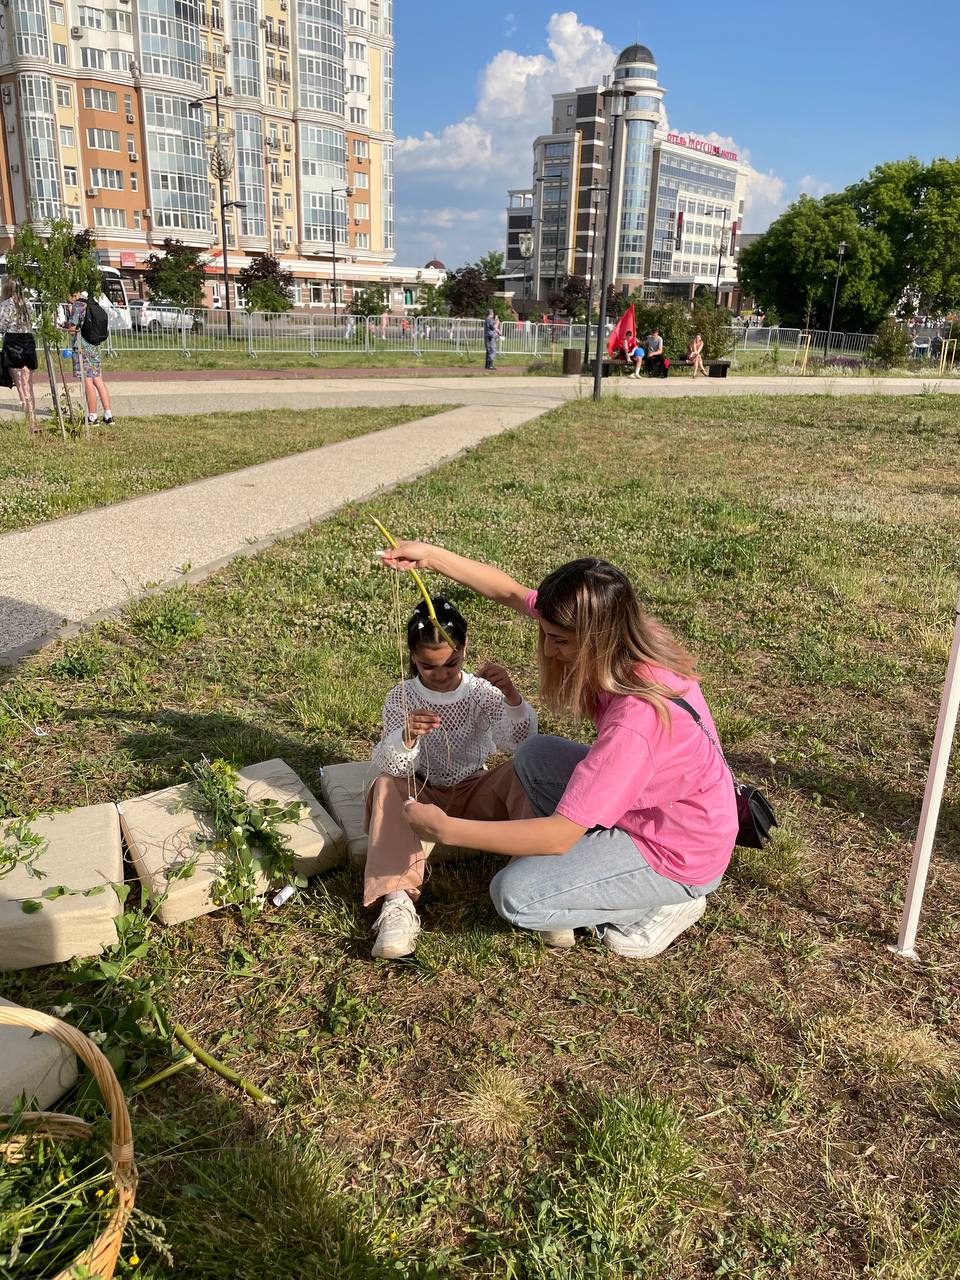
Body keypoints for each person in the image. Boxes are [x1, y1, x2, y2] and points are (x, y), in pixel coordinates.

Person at [381, 544, 738, 960]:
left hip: (678, 849)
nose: (549, 651)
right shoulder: (627, 634)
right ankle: (609, 869)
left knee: (515, 894)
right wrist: (432, 557)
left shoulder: (633, 724)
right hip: (663, 806)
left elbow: (558, 836)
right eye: (548, 635)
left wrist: (446, 830)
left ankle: (667, 900)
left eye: (560, 641)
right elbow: (512, 594)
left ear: (595, 639)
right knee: (535, 754)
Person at [365, 595, 537, 959]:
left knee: (528, 770)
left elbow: (519, 742)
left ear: (465, 648)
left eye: (451, 663)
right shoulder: (402, 698)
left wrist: (511, 697)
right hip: (423, 790)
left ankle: (536, 877)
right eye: (429, 667)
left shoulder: (479, 692)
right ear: (413, 657)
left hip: (475, 787)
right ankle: (397, 900)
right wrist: (406, 737)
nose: (442, 674)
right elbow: (394, 767)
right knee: (384, 785)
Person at [65, 290, 114, 426]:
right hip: (95, 346)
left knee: (87, 381)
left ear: (74, 294)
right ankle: (108, 414)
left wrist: (66, 326)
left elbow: (73, 328)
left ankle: (92, 416)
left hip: (82, 347)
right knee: (98, 379)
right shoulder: (92, 303)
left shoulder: (78, 306)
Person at [0, 276, 39, 436]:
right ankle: (34, 419)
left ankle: (30, 424)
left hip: (13, 343)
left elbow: (1, 326)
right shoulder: (28, 304)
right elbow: (33, 322)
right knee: (28, 384)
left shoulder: (5, 305)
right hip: (28, 341)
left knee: (20, 387)